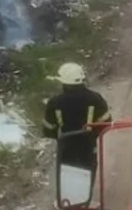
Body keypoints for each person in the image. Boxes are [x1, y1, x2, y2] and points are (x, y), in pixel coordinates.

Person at [43, 62, 112, 197]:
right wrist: (93, 134)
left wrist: (59, 136)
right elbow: (106, 122)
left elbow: (48, 129)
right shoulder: (95, 98)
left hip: (66, 147)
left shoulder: (54, 102)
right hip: (88, 144)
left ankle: (68, 202)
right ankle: (85, 200)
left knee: (68, 172)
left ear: (63, 81)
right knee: (88, 168)